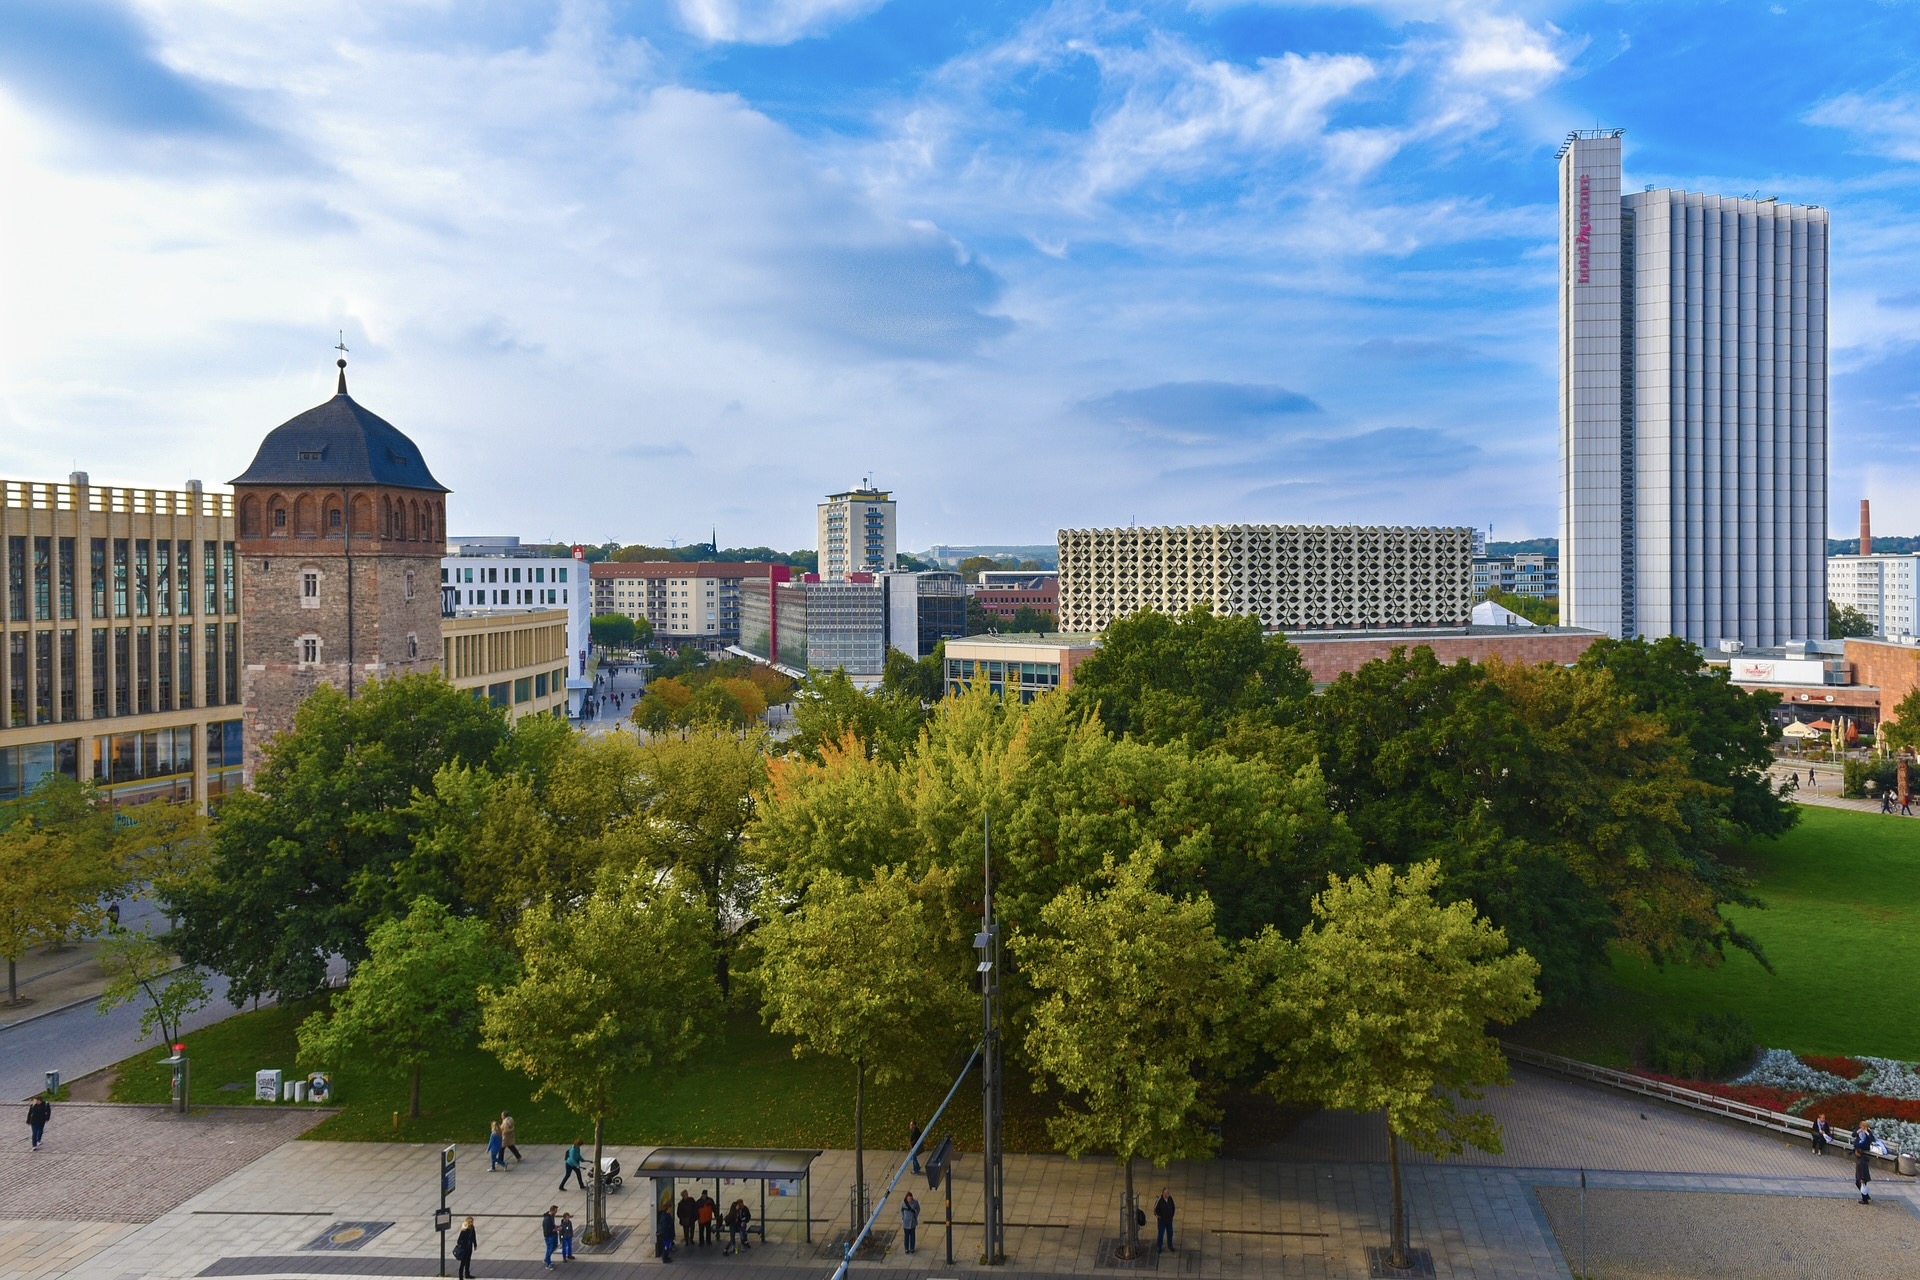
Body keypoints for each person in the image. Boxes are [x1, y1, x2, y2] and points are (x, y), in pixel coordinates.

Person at [1854, 1124, 1874, 1203]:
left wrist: (1862, 1178)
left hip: (1862, 1177)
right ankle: (1866, 1196)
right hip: (1859, 1148)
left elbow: (1872, 1139)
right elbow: (1853, 1134)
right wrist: (1859, 1131)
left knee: (1861, 1184)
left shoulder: (1862, 1161)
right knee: (1860, 1184)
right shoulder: (1858, 1130)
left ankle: (1865, 1199)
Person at [1153, 1188, 1176, 1253]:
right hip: (1162, 1222)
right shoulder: (1159, 1201)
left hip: (1169, 1220)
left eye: (1168, 1193)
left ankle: (1170, 1245)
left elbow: (1173, 1207)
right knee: (1160, 1234)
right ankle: (1159, 1247)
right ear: (1163, 1194)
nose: (1168, 1194)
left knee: (1170, 1233)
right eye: (1167, 1193)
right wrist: (1161, 1217)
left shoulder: (1170, 1199)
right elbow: (1155, 1211)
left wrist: (1171, 1215)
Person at [900, 1191, 920, 1255]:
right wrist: (903, 1217)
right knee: (906, 1236)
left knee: (912, 1236)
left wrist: (915, 1216)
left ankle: (912, 1248)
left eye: (911, 1199)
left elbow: (918, 1209)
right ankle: (906, 1248)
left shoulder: (915, 1203)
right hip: (906, 1222)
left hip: (912, 1222)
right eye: (909, 1199)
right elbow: (901, 1210)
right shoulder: (904, 1203)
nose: (910, 1200)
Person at [542, 1205, 559, 1270]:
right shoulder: (547, 1219)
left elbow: (552, 1226)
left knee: (554, 1247)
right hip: (549, 1236)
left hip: (553, 1235)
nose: (556, 1212)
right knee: (549, 1249)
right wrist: (557, 1229)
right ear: (553, 1210)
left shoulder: (551, 1216)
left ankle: (547, 1259)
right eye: (556, 1211)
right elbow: (548, 1230)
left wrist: (556, 1227)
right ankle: (548, 1264)